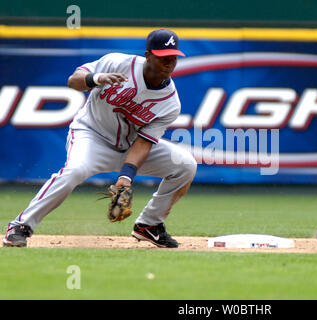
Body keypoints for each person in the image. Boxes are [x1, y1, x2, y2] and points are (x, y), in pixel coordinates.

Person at [3, 28, 197, 248]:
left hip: (130, 145)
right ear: (148, 55)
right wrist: (94, 79)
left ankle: (149, 225)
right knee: (75, 171)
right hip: (91, 135)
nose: (169, 62)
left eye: (173, 57)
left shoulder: (170, 102)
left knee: (185, 165)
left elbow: (144, 142)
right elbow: (73, 81)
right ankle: (21, 226)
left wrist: (126, 178)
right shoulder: (117, 62)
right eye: (163, 57)